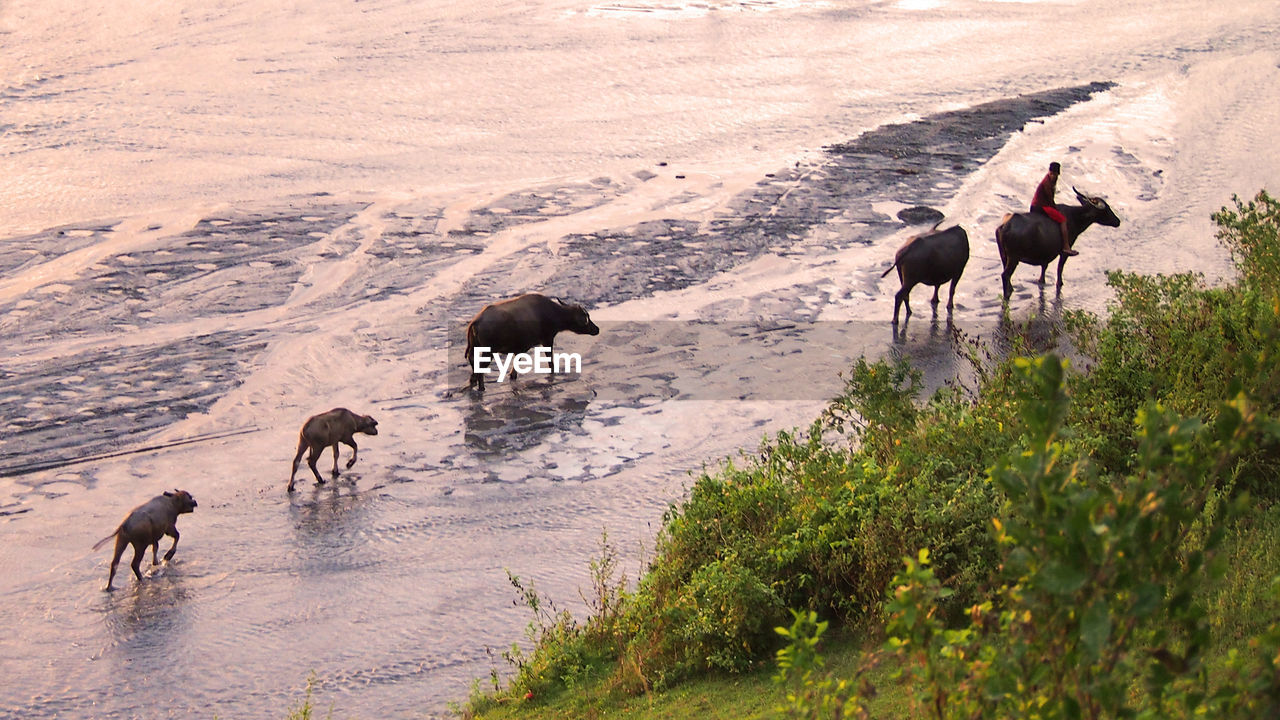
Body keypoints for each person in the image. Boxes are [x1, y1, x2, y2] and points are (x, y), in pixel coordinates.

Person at [1030, 161, 1077, 256]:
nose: (1054, 176)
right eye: (1053, 174)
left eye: (1055, 175)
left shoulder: (1049, 180)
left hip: (1039, 205)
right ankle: (1066, 247)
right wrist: (1055, 208)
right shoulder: (1047, 183)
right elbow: (1050, 199)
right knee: (1063, 220)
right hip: (1041, 206)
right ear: (1050, 173)